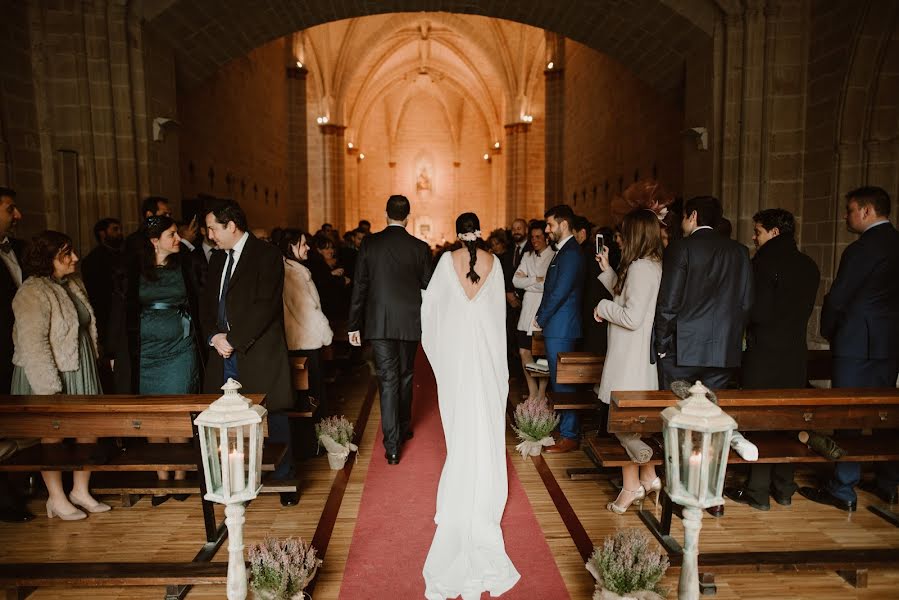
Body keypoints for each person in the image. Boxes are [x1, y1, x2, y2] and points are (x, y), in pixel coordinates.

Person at [421, 212, 520, 600]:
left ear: (457, 234)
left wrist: (441, 355)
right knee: (486, 427)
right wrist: (500, 370)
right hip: (486, 363)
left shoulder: (446, 262)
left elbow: (432, 313)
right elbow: (499, 321)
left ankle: (461, 484)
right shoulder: (496, 263)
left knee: (460, 429)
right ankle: (484, 491)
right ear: (479, 231)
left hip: (458, 363)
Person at [800, 186, 899, 511]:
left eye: (850, 209)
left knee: (848, 415)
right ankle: (889, 484)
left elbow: (839, 297)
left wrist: (829, 331)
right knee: (886, 415)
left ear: (868, 211)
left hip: (856, 342)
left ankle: (843, 489)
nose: (846, 216)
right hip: (888, 343)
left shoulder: (861, 249)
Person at [653, 196, 752, 517]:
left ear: (692, 217)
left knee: (681, 420)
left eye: (683, 217)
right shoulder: (739, 252)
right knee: (712, 421)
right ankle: (713, 493)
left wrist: (662, 341)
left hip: (683, 348)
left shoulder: (682, 248)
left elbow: (669, 300)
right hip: (722, 349)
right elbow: (746, 303)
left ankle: (682, 494)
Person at [200, 200, 296, 506]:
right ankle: (239, 481)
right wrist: (214, 336)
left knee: (273, 414)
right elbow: (206, 304)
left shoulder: (266, 254)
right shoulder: (217, 260)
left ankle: (284, 480)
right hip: (223, 352)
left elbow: (265, 305)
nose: (210, 235)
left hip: (258, 350)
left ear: (231, 225)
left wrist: (235, 340)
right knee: (230, 418)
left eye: (213, 228)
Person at [724, 208, 820, 511]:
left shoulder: (762, 263)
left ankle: (758, 490)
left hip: (763, 351)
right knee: (789, 420)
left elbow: (760, 312)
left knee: (760, 420)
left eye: (758, 231)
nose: (754, 237)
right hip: (794, 352)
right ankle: (785, 488)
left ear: (774, 232)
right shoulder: (809, 265)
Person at [12, 230, 110, 520]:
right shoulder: (32, 291)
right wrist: (47, 389)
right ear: (47, 259)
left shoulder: (72, 283)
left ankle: (80, 490)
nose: (75, 258)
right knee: (51, 436)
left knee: (88, 431)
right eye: (66, 254)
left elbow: (84, 326)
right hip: (50, 373)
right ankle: (56, 498)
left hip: (81, 368)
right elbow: (33, 344)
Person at [347, 195, 433, 464]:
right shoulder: (419, 247)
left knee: (388, 380)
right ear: (408, 217)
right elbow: (428, 285)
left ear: (386, 214)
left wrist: (353, 324)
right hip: (409, 321)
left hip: (379, 322)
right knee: (406, 375)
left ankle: (392, 446)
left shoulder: (371, 243)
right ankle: (404, 426)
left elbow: (359, 285)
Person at [594, 208, 665, 513]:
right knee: (629, 422)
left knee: (622, 422)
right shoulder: (648, 265)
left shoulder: (640, 268)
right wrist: (608, 270)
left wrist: (602, 306)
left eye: (623, 232)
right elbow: (629, 300)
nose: (619, 238)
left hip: (629, 358)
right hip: (634, 357)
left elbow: (631, 317)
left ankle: (633, 485)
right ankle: (648, 477)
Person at [131, 215, 201, 506]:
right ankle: (161, 477)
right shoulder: (135, 270)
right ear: (154, 241)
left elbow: (199, 299)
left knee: (178, 406)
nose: (178, 238)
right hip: (147, 351)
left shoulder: (186, 264)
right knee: (153, 412)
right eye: (172, 234)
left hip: (180, 346)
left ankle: (182, 476)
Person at [536, 204, 585, 453]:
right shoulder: (563, 251)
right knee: (559, 381)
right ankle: (567, 430)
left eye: (550, 224)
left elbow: (559, 292)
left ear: (564, 224)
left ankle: (569, 435)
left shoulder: (571, 253)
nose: (547, 229)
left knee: (563, 383)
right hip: (558, 326)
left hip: (562, 327)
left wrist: (541, 317)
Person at [0, 186, 34, 523]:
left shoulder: (20, 251)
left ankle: (19, 487)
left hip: (19, 350)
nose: (18, 216)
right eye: (11, 209)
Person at [280, 228, 333, 412]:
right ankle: (319, 438)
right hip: (305, 342)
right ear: (291, 247)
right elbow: (305, 310)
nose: (308, 248)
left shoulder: (294, 270)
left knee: (314, 396)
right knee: (313, 398)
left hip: (306, 341)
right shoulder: (293, 273)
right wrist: (326, 333)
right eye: (303, 244)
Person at [512, 220, 554, 402]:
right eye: (533, 237)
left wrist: (529, 280)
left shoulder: (553, 255)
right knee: (524, 352)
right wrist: (536, 279)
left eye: (538, 237)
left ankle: (542, 392)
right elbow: (515, 281)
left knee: (542, 354)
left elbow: (549, 285)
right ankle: (532, 391)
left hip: (543, 311)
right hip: (527, 311)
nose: (535, 240)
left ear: (546, 238)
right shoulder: (527, 256)